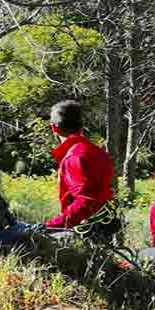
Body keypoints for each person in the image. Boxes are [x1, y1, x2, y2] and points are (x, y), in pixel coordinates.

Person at [45, 100, 117, 240]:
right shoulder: (97, 152)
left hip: (86, 231)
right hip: (103, 225)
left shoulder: (74, 156)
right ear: (81, 126)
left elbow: (86, 200)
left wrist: (52, 225)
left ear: (54, 128)